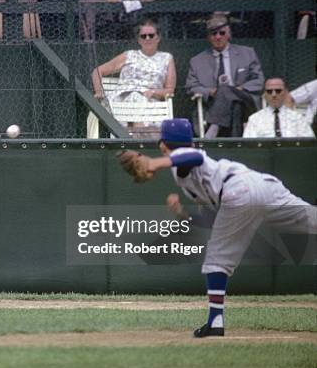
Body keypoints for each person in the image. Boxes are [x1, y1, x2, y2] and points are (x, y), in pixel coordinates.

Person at [122, 118, 317, 337]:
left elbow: (190, 157)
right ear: (192, 141)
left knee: (216, 260)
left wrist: (154, 163)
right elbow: (213, 219)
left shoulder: (187, 162)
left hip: (238, 189)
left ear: (162, 145)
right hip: (263, 186)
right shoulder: (194, 169)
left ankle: (215, 321)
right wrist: (182, 215)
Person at [90, 18, 176, 134]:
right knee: (136, 96)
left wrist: (153, 92)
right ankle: (139, 141)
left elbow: (170, 90)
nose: (147, 39)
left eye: (151, 35)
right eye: (143, 36)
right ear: (138, 40)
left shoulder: (166, 58)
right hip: (122, 102)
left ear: (158, 37)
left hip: (151, 103)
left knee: (144, 108)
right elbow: (97, 71)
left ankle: (135, 142)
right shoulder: (129, 55)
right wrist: (99, 92)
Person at [186, 14, 265, 138]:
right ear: (208, 37)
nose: (218, 37)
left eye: (222, 33)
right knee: (235, 105)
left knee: (226, 90)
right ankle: (235, 143)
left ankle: (214, 128)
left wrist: (239, 89)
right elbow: (191, 87)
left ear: (229, 34)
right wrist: (210, 92)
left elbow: (259, 81)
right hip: (213, 105)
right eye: (213, 33)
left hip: (246, 102)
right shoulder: (197, 61)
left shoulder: (247, 53)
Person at [243, 77, 315, 138]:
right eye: (269, 91)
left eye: (278, 91)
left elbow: (308, 145)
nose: (274, 94)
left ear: (286, 92)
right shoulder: (255, 119)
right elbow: (249, 147)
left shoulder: (298, 119)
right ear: (264, 94)